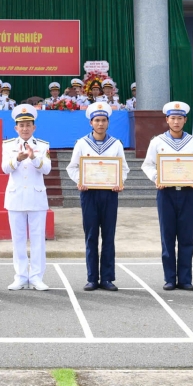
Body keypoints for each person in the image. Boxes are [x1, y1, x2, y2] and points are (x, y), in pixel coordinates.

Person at [142, 101, 193, 291]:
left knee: (186, 237)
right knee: (167, 236)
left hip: (187, 193)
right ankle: (170, 278)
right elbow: (147, 165)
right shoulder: (157, 142)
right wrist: (156, 178)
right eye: (173, 118)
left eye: (180, 118)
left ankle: (185, 279)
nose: (176, 122)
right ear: (167, 120)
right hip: (166, 193)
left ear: (185, 120)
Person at [66, 102, 128, 291]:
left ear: (108, 123)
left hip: (110, 194)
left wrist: (119, 181)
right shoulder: (82, 143)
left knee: (108, 236)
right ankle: (92, 277)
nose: (100, 124)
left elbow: (124, 168)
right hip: (89, 194)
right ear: (91, 123)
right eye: (97, 120)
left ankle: (107, 278)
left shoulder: (116, 144)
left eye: (103, 120)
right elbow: (72, 167)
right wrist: (80, 180)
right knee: (91, 236)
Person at [2, 103, 52, 291]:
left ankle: (37, 277)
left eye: (28, 125)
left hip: (36, 198)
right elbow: (4, 168)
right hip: (15, 197)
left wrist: (33, 158)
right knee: (18, 240)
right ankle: (21, 276)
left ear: (34, 127)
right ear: (16, 128)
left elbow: (47, 169)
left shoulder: (43, 145)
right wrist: (18, 159)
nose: (24, 129)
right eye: (21, 125)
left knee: (38, 239)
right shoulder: (8, 145)